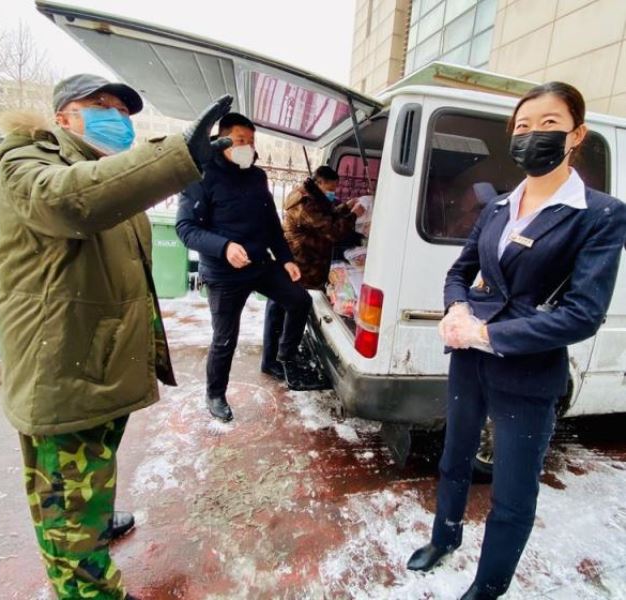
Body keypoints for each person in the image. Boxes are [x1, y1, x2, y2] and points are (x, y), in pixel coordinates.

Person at [0, 72, 232, 600]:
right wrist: (171, 157)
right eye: (100, 105)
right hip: (62, 367)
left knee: (90, 471)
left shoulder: (102, 172)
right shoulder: (26, 161)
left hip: (97, 362)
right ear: (62, 118)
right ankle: (86, 586)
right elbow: (67, 202)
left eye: (124, 111)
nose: (117, 118)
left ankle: (91, 521)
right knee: (65, 492)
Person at [406, 81, 626, 599]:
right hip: (469, 358)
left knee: (512, 490)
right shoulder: (500, 205)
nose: (532, 136)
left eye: (549, 123)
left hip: (527, 370)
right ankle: (445, 537)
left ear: (577, 134)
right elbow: (460, 269)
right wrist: (457, 308)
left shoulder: (599, 213)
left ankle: (489, 586)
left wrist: (486, 331)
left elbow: (582, 315)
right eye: (522, 127)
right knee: (454, 456)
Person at [175, 112, 313, 420]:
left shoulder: (256, 176)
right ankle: (215, 395)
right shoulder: (201, 175)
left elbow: (270, 223)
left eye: (251, 141)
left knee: (299, 300)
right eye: (240, 141)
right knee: (225, 339)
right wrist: (224, 247)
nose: (247, 146)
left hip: (260, 264)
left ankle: (281, 357)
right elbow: (185, 228)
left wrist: (286, 259)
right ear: (222, 139)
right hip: (224, 274)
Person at [261, 166, 362, 381]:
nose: (333, 192)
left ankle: (279, 357)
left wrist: (345, 207)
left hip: (299, 261)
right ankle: (278, 359)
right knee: (288, 307)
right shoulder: (305, 202)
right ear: (318, 183)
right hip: (297, 263)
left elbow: (328, 214)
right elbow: (332, 230)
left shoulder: (312, 196)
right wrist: (354, 215)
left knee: (284, 308)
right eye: (331, 188)